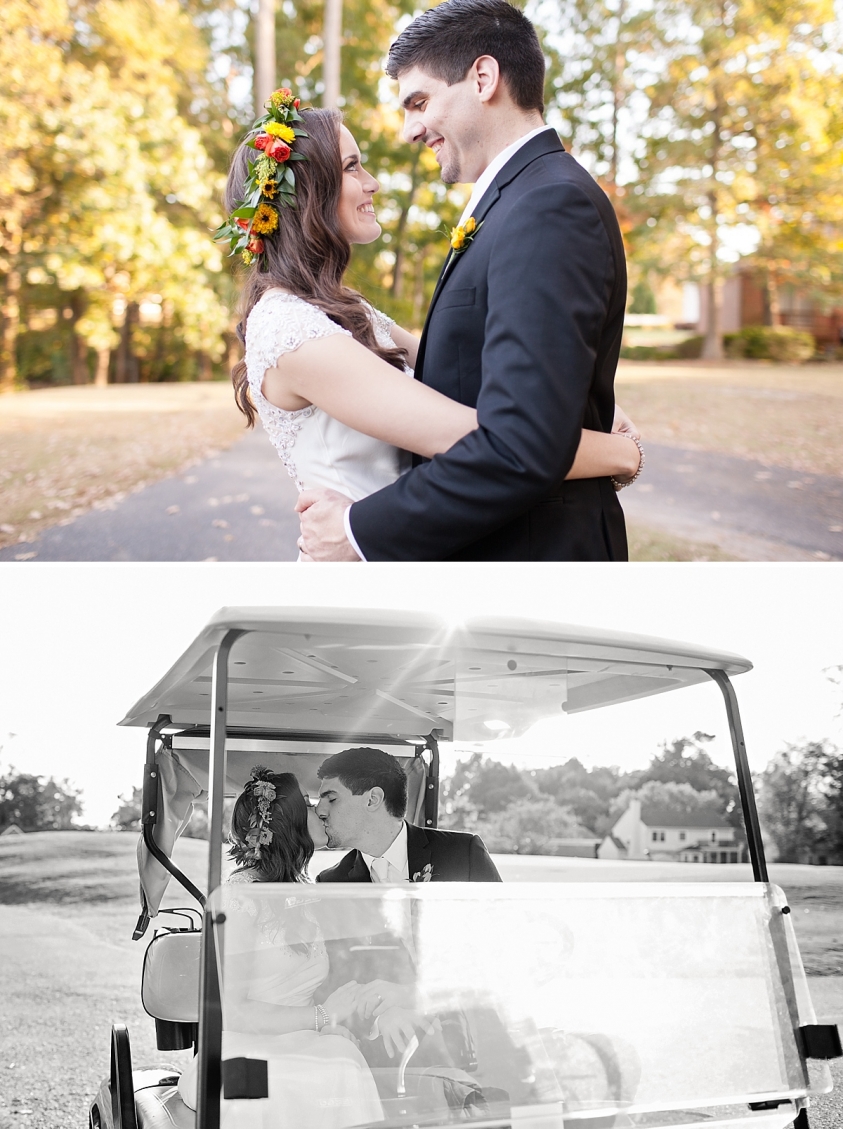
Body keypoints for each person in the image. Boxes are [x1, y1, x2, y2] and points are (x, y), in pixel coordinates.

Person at [218, 93, 643, 556]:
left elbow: (459, 368)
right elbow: (478, 440)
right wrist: (620, 454)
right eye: (352, 167)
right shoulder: (289, 329)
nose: (373, 182)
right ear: (308, 193)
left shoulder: (345, 308)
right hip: (359, 558)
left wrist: (563, 399)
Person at [297, 0, 633, 561]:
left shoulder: (547, 205)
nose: (410, 130)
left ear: (483, 78)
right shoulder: (521, 199)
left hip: (532, 562)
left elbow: (521, 446)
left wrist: (359, 531)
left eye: (420, 102)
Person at [176, 768, 383, 1129]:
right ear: (287, 823)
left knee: (343, 1064)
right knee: (280, 1086)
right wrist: (323, 1017)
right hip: (244, 1048)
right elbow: (235, 1014)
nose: (319, 810)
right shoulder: (240, 899)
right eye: (307, 803)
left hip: (307, 1042)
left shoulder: (303, 892)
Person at [314, 747, 501, 1061]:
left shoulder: (461, 853)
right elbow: (344, 978)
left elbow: (500, 953)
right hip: (391, 1050)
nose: (320, 810)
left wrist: (413, 997)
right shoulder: (332, 884)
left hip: (481, 1034)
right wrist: (378, 1016)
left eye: (331, 798)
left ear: (373, 799)